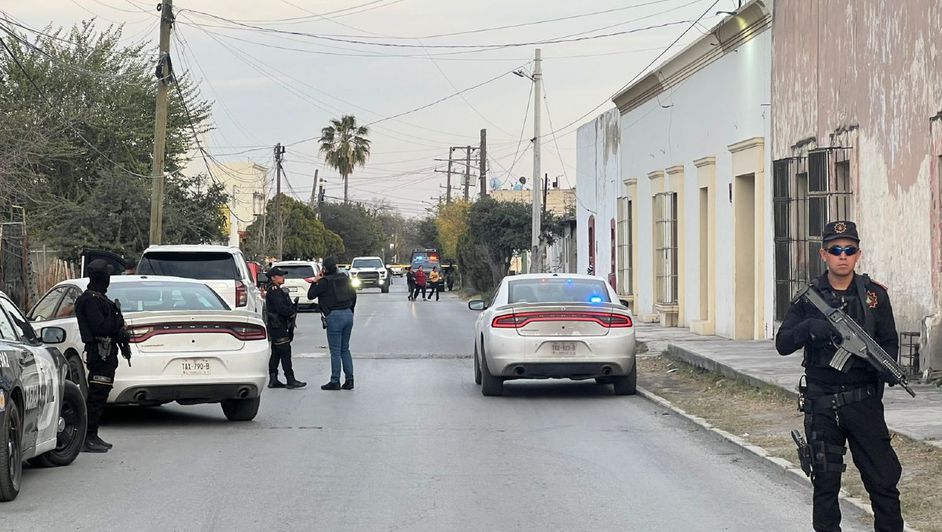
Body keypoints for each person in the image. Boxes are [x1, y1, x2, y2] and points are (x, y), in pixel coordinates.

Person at [775, 221, 903, 532]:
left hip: (864, 404)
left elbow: (889, 341)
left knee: (883, 483)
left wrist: (881, 366)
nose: (842, 256)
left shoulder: (874, 296)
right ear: (824, 254)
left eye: (849, 250)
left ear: (858, 254)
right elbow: (783, 343)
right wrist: (810, 329)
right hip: (822, 407)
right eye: (835, 250)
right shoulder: (809, 298)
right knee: (826, 487)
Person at [74, 260, 126, 453]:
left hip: (107, 353)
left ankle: (93, 434)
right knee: (96, 396)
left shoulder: (99, 299)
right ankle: (88, 437)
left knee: (101, 394)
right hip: (99, 353)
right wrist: (118, 321)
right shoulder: (90, 300)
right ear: (103, 277)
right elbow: (100, 327)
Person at [308, 257, 357, 390]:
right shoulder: (344, 278)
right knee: (345, 349)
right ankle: (350, 380)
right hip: (347, 314)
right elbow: (353, 295)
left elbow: (311, 295)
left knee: (335, 351)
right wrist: (351, 311)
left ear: (324, 269)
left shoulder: (324, 282)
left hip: (334, 316)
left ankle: (335, 381)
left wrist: (315, 281)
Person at [265, 266, 306, 389]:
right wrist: (291, 311)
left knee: (276, 352)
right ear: (273, 277)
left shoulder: (276, 289)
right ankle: (290, 379)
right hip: (277, 325)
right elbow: (280, 308)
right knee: (285, 352)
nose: (283, 277)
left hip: (276, 325)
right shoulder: (274, 290)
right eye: (281, 275)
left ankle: (273, 379)